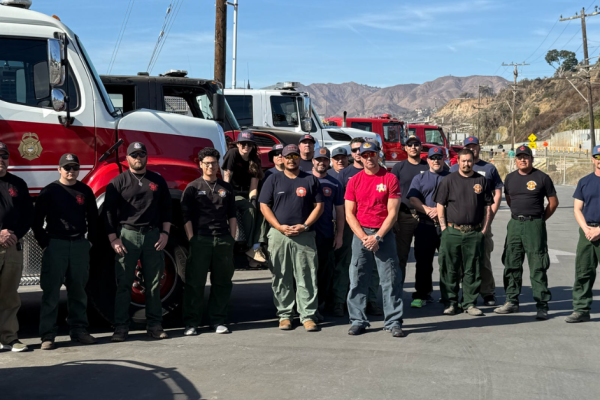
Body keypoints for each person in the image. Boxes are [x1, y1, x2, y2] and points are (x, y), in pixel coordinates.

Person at [105, 142, 173, 341]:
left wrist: (165, 234)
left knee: (154, 284)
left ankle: (155, 325)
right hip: (127, 235)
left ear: (146, 157)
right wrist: (113, 239)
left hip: (153, 235)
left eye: (141, 154)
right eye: (134, 155)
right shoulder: (118, 182)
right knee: (124, 283)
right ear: (127, 159)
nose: (138, 158)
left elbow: (167, 209)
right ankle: (121, 328)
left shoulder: (157, 181)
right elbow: (108, 212)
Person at [33, 153, 98, 350]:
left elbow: (94, 220)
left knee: (78, 291)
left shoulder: (85, 191)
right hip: (56, 245)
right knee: (51, 292)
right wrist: (46, 244)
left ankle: (79, 330)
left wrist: (89, 243)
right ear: (59, 169)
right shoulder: (49, 191)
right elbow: (36, 221)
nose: (71, 171)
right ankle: (48, 335)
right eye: (67, 168)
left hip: (78, 245)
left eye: (74, 168)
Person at [259, 144, 324, 332]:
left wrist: (304, 225)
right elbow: (264, 206)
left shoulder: (310, 180)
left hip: (304, 236)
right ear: (283, 158)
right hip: (279, 235)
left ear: (299, 159)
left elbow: (318, 206)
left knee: (307, 276)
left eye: (295, 156)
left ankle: (308, 316)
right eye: (288, 156)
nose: (291, 160)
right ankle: (285, 315)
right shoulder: (273, 180)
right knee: (281, 276)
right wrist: (279, 227)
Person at [345, 141, 404, 337]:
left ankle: (393, 321)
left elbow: (393, 213)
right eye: (365, 154)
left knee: (390, 279)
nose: (369, 158)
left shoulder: (390, 179)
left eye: (373, 154)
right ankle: (358, 320)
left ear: (378, 155)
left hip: (383, 235)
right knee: (358, 278)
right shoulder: (354, 181)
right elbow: (349, 214)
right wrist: (364, 238)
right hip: (361, 235)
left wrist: (377, 236)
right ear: (359, 157)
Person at [495, 146, 558, 320]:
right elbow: (509, 200)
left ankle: (542, 305)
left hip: (534, 224)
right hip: (515, 224)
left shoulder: (542, 178)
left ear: (532, 158)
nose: (523, 160)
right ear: (515, 159)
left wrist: (539, 220)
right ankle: (511, 301)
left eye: (526, 157)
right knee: (511, 262)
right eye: (520, 157)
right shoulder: (510, 178)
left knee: (537, 265)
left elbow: (553, 203)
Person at [181, 147, 237, 336]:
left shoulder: (226, 188)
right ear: (200, 165)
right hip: (201, 240)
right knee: (195, 283)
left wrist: (231, 238)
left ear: (218, 165)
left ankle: (218, 320)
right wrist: (191, 238)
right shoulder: (192, 187)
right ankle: (191, 323)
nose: (211, 166)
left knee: (222, 283)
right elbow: (186, 216)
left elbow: (232, 216)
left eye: (214, 163)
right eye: (207, 163)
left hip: (223, 240)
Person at [435, 148, 493, 316]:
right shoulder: (448, 180)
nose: (466, 163)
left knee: (472, 269)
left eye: (469, 160)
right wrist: (444, 227)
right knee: (449, 268)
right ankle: (451, 302)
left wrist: (484, 229)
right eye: (463, 161)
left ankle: (469, 303)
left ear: (473, 161)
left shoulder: (481, 180)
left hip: (474, 233)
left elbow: (487, 207)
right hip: (452, 232)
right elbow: (440, 204)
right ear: (457, 162)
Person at [450, 136, 503, 306]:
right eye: (468, 147)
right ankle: (460, 294)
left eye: (475, 146)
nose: (472, 149)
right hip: (460, 221)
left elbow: (497, 193)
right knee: (459, 260)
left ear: (479, 148)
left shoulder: (489, 168)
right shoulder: (453, 169)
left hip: (482, 219)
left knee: (483, 257)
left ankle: (487, 292)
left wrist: (491, 215)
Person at [333, 137, 381, 317]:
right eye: (354, 151)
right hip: (350, 227)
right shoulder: (345, 174)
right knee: (348, 264)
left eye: (362, 151)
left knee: (374, 267)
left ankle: (371, 301)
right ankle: (339, 301)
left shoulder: (380, 174)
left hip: (374, 227)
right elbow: (339, 205)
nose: (359, 154)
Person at [406, 147, 449, 308]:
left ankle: (448, 296)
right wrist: (427, 210)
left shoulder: (451, 177)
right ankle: (422, 294)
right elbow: (413, 199)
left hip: (446, 227)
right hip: (425, 225)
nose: (436, 160)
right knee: (423, 262)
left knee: (448, 262)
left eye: (439, 157)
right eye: (433, 158)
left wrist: (439, 211)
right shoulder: (419, 178)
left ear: (443, 158)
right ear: (428, 160)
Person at [0, 142, 33, 353]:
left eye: (4, 156)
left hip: (12, 247)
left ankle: (10, 338)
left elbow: (28, 215)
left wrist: (14, 235)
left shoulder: (18, 184)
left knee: (10, 294)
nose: (0, 160)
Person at [566, 145, 600, 323]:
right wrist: (587, 229)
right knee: (583, 272)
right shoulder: (584, 181)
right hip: (587, 233)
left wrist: (599, 231)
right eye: (597, 156)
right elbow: (577, 209)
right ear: (593, 159)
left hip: (599, 230)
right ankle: (581, 309)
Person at [390, 135, 429, 285]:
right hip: (403, 217)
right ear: (405, 148)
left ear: (421, 147)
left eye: (416, 144)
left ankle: (422, 293)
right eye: (410, 145)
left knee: (423, 257)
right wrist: (393, 219)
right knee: (401, 256)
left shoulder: (428, 166)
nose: (413, 147)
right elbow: (391, 194)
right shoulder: (398, 168)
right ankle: (397, 291)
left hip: (425, 217)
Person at [222, 130, 265, 263]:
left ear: (253, 147)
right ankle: (250, 246)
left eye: (249, 144)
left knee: (258, 209)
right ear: (238, 144)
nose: (246, 147)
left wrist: (253, 200)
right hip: (232, 192)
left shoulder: (255, 160)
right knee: (249, 210)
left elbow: (254, 186)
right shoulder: (232, 153)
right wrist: (226, 198)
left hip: (246, 193)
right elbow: (226, 177)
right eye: (243, 144)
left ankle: (255, 245)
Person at [311, 147, 345, 314]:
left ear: (329, 162)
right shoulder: (303, 179)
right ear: (313, 161)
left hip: (325, 234)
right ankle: (304, 306)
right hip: (306, 235)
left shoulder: (335, 183)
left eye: (325, 160)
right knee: (306, 272)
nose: (321, 163)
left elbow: (340, 211)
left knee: (324, 273)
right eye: (318, 159)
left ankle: (320, 304)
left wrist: (339, 235)